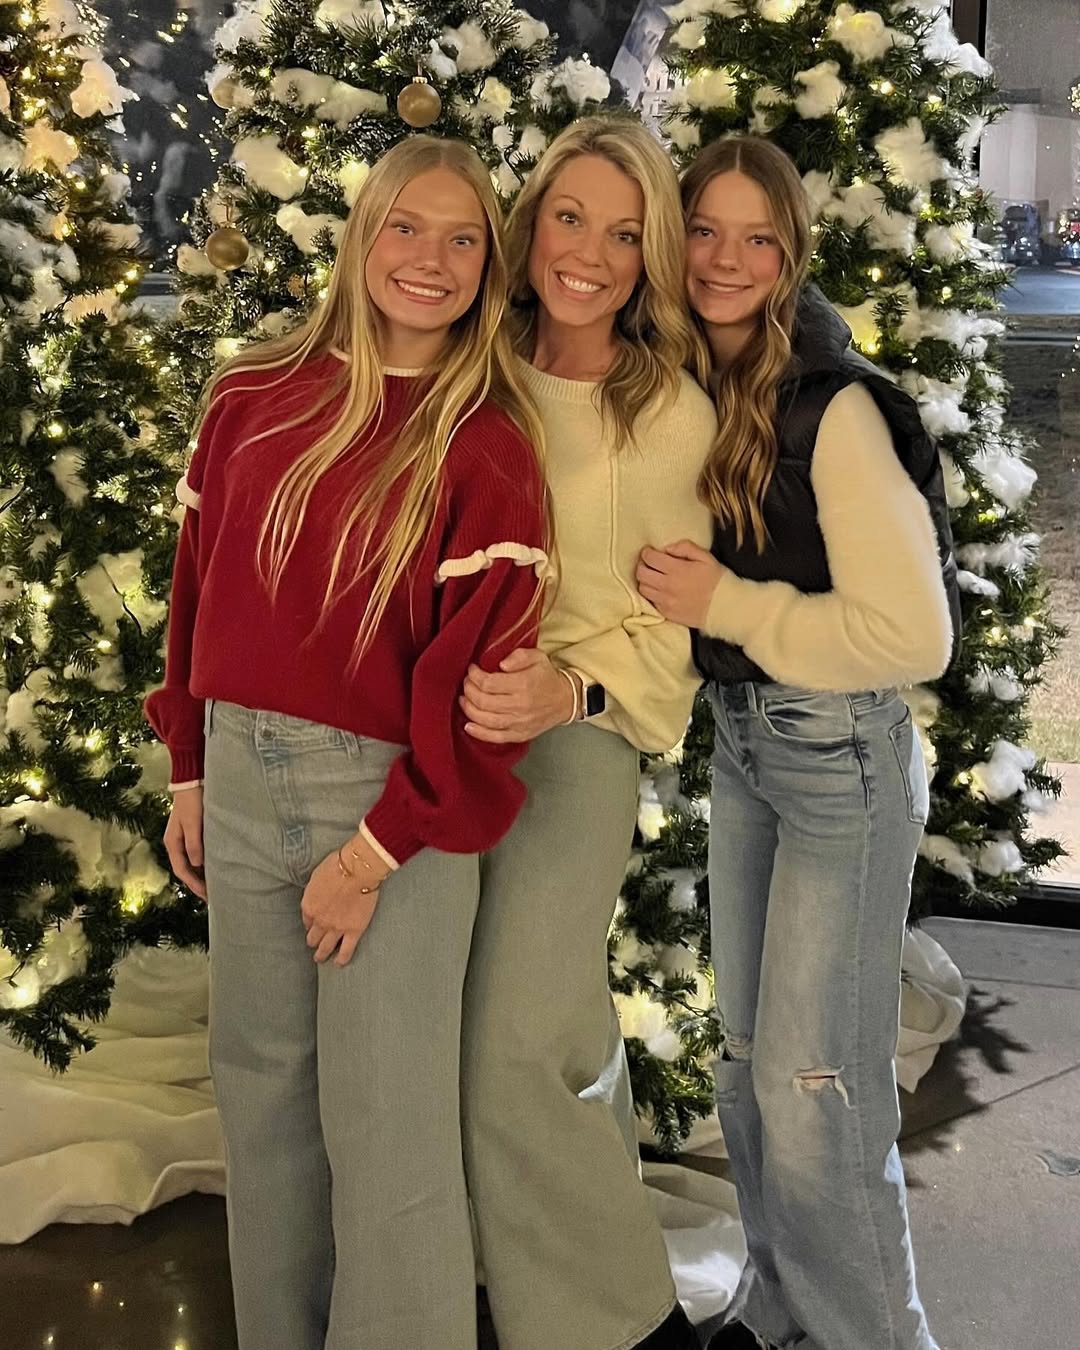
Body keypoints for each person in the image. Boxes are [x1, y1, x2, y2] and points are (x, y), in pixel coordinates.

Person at [144, 136, 550, 1350]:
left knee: (388, 1126)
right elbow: (196, 592)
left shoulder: (486, 444)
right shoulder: (252, 395)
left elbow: (479, 692)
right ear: (363, 235)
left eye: (464, 238)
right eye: (406, 226)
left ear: (490, 266)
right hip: (237, 774)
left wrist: (374, 852)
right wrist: (191, 767)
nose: (432, 259)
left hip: (387, 806)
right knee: (261, 1098)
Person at [636, 134, 956, 1350]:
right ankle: (785, 1312)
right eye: (703, 232)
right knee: (752, 1063)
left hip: (841, 762)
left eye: (757, 239)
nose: (725, 261)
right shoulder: (693, 382)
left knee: (817, 1088)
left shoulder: (834, 407)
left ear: (793, 253)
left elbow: (914, 635)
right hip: (751, 745)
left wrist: (727, 605)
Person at [458, 116, 717, 1350]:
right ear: (529, 227)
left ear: (649, 256)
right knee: (545, 1030)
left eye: (625, 234)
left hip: (573, 742)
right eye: (571, 218)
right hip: (433, 737)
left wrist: (569, 694)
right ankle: (498, 1280)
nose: (591, 255)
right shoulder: (471, 367)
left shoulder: (665, 413)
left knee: (512, 1044)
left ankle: (624, 1326)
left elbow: (671, 620)